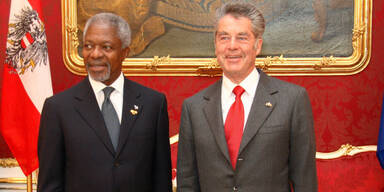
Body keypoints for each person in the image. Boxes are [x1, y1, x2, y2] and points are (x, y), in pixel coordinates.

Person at [176, 1, 318, 191]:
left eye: (242, 38)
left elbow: (304, 181)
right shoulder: (193, 107)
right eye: (224, 37)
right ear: (215, 45)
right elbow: (187, 183)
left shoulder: (292, 100)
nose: (232, 46)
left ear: (257, 46)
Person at [37, 13, 172, 192]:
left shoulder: (153, 104)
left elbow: (161, 181)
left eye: (106, 47)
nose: (95, 54)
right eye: (88, 46)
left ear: (125, 52)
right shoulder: (58, 108)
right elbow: (50, 185)